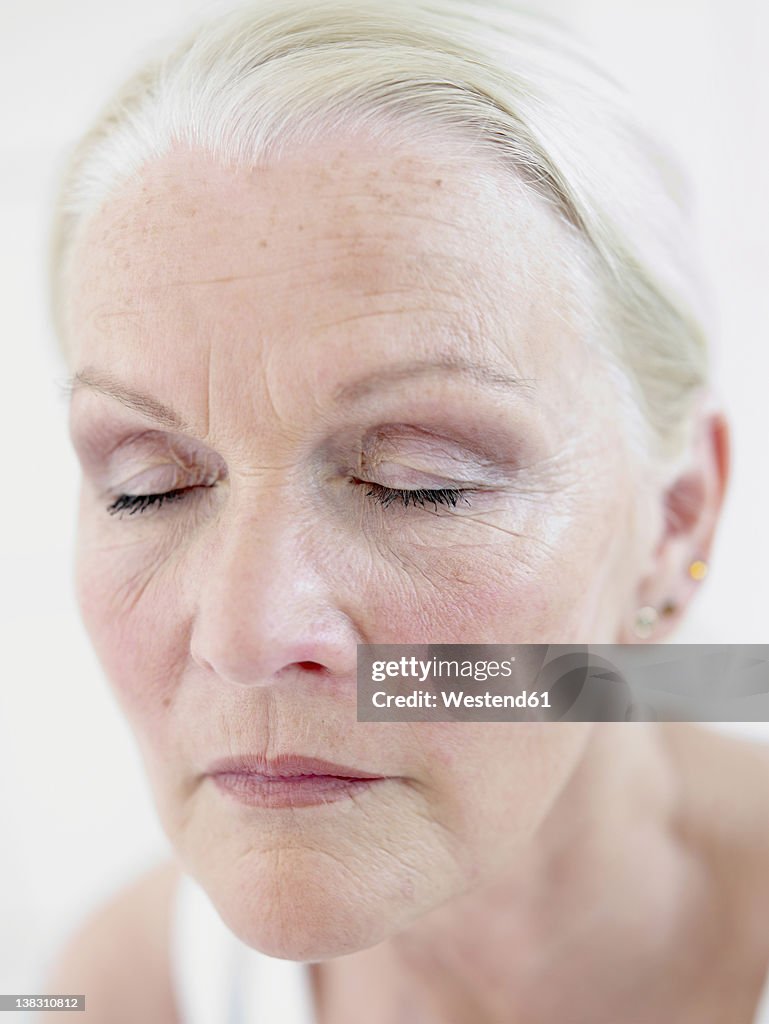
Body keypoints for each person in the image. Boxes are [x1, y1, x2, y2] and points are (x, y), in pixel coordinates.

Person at [40, 0, 769, 1020]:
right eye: (147, 486)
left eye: (416, 483)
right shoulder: (121, 989)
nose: (246, 636)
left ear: (675, 523)